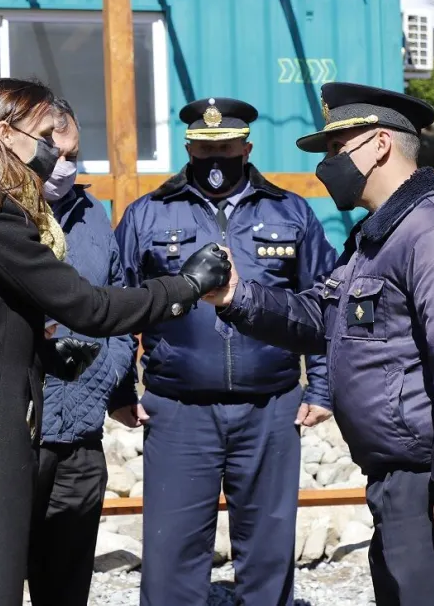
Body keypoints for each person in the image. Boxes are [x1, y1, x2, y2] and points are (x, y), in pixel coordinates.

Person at [0, 78, 230, 606]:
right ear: (6, 135)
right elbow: (89, 307)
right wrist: (185, 287)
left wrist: (33, 348)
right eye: (48, 137)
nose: (57, 155)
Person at [207, 83, 434, 605]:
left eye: (334, 148)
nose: (327, 165)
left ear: (377, 145)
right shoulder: (376, 239)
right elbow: (321, 318)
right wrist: (236, 296)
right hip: (398, 481)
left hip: (431, 479)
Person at [115, 97, 337, 605]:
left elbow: (321, 305)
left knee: (268, 551)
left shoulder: (291, 210)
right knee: (172, 556)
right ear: (189, 147)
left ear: (247, 146)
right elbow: (118, 306)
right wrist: (120, 388)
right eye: (204, 146)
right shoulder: (147, 214)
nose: (216, 156)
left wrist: (322, 386)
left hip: (272, 406)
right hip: (176, 410)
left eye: (226, 146)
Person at [27, 97, 139, 606]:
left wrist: (106, 381)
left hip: (81, 434)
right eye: (54, 154)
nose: (65, 166)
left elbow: (116, 307)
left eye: (75, 154)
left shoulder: (93, 214)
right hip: (18, 438)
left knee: (67, 583)